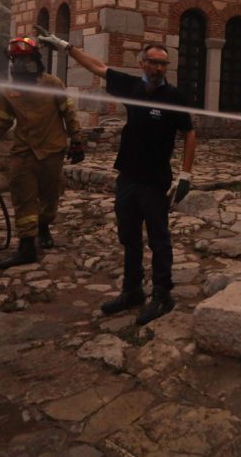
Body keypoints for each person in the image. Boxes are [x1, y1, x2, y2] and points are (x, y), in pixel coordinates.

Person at [36, 29, 195, 326]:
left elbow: (189, 132)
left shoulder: (174, 96)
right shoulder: (131, 86)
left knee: (159, 239)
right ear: (142, 63)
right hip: (128, 177)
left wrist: (185, 174)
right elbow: (97, 66)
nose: (159, 68)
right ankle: (132, 290)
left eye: (164, 64)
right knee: (129, 236)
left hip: (155, 180)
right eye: (154, 62)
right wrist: (66, 46)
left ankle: (162, 293)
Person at [0, 37, 85, 269]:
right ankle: (26, 247)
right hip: (23, 154)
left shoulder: (53, 84)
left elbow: (69, 114)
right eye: (16, 60)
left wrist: (77, 140)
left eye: (26, 59)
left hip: (53, 151)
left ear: (36, 60)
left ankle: (43, 228)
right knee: (23, 200)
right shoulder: (8, 93)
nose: (21, 64)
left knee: (49, 198)